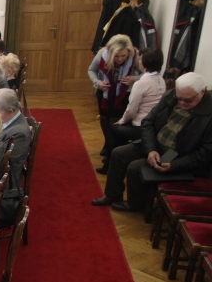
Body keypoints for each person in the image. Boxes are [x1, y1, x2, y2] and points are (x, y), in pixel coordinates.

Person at [92, 72, 212, 211]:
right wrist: (151, 149)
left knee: (135, 167)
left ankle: (136, 204)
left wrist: (174, 165)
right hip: (155, 144)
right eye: (179, 98)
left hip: (176, 156)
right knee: (119, 153)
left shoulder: (209, 115)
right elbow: (148, 122)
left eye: (187, 100)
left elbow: (205, 154)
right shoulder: (170, 96)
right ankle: (113, 195)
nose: (181, 103)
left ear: (201, 92)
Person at [96, 47, 166, 174]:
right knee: (119, 129)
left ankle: (109, 165)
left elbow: (131, 110)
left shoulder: (141, 83)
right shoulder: (161, 80)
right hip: (153, 125)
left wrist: (122, 121)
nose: (138, 61)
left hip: (141, 126)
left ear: (144, 63)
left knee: (113, 128)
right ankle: (118, 162)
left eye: (140, 59)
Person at [88, 34, 140, 167]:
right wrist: (97, 82)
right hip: (105, 92)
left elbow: (145, 74)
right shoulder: (101, 54)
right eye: (116, 56)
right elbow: (91, 70)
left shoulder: (135, 55)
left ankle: (112, 150)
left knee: (115, 121)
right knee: (104, 119)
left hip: (123, 94)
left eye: (123, 56)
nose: (120, 59)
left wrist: (134, 78)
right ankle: (107, 144)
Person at [0, 89, 31, 225]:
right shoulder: (9, 120)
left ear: (11, 111)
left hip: (4, 191)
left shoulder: (18, 133)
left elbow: (2, 165)